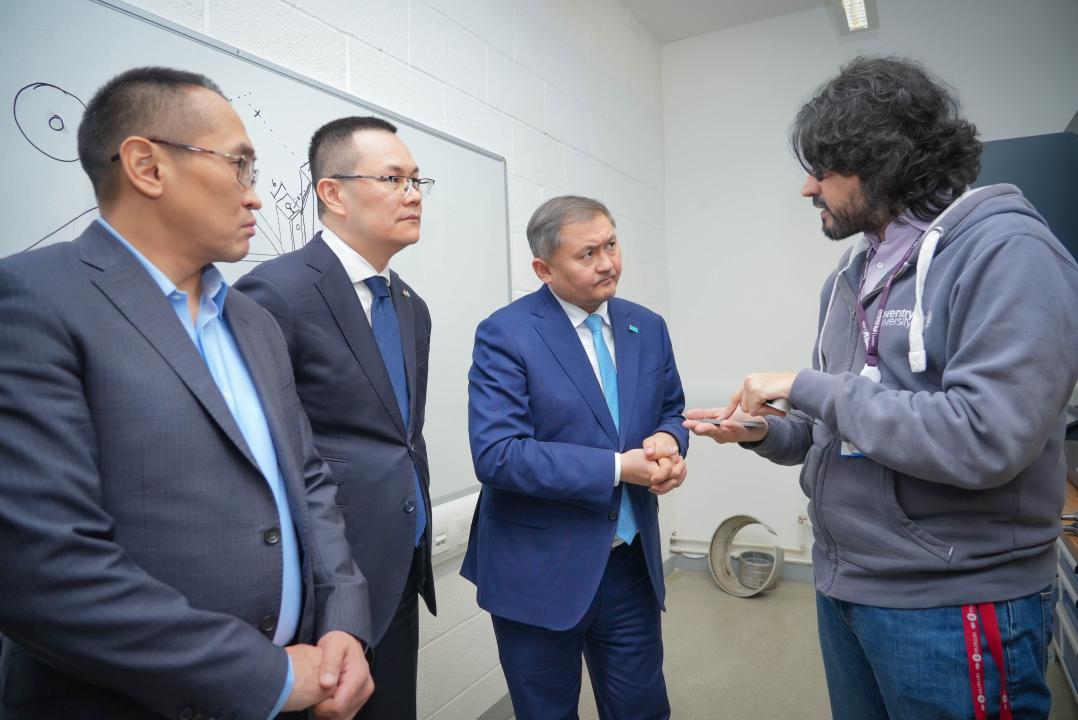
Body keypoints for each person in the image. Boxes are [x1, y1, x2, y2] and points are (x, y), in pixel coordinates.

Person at [685, 55, 1078, 719]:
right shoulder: (851, 277)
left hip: (953, 601)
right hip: (849, 587)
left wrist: (806, 385)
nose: (808, 188)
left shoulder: (1009, 253)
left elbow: (986, 438)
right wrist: (763, 431)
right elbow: (834, 427)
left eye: (822, 169)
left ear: (881, 162)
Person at [0, 67, 373, 720]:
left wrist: (343, 619)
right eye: (239, 165)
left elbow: (307, 479)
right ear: (147, 166)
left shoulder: (253, 322)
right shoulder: (34, 300)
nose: (255, 197)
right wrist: (265, 677)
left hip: (301, 681)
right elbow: (42, 567)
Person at [235, 116, 435, 720]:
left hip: (400, 560)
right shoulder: (276, 293)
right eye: (394, 179)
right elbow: (266, 453)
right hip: (324, 578)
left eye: (417, 180)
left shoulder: (411, 305)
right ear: (334, 193)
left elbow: (399, 437)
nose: (414, 194)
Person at [463, 195, 689, 719]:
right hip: (539, 569)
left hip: (628, 565)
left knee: (642, 709)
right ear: (544, 269)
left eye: (611, 244)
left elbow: (670, 410)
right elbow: (498, 454)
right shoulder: (506, 333)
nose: (608, 263)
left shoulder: (646, 326)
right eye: (588, 254)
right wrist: (619, 468)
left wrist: (669, 441)